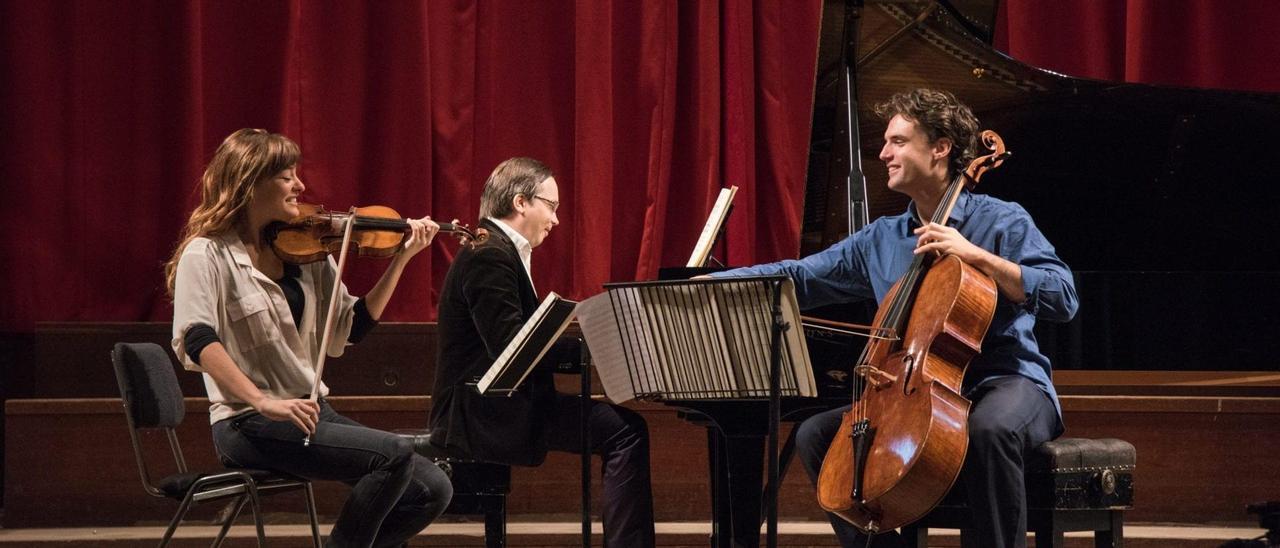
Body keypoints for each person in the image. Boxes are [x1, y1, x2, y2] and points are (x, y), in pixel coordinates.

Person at [709, 89, 1078, 548]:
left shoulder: (1002, 221)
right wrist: (712, 283)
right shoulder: (880, 238)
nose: (883, 153)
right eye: (886, 142)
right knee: (817, 435)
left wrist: (977, 256)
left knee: (989, 429)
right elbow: (798, 276)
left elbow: (1063, 297)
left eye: (898, 142)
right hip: (915, 394)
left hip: (1007, 383)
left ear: (940, 148)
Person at [166, 128, 453, 548]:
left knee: (433, 488)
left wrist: (402, 258)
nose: (300, 186)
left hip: (310, 411)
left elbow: (352, 327)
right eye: (286, 176)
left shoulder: (306, 253)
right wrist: (263, 400)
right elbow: (197, 339)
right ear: (249, 182)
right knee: (394, 454)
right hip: (248, 422)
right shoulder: (206, 255)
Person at [429, 157, 656, 547]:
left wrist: (589, 349)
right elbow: (510, 347)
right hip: (482, 413)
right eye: (551, 206)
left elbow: (520, 344)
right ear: (520, 202)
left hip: (503, 404)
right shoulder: (489, 255)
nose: (555, 220)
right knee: (626, 433)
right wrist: (595, 347)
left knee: (625, 429)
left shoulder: (497, 250)